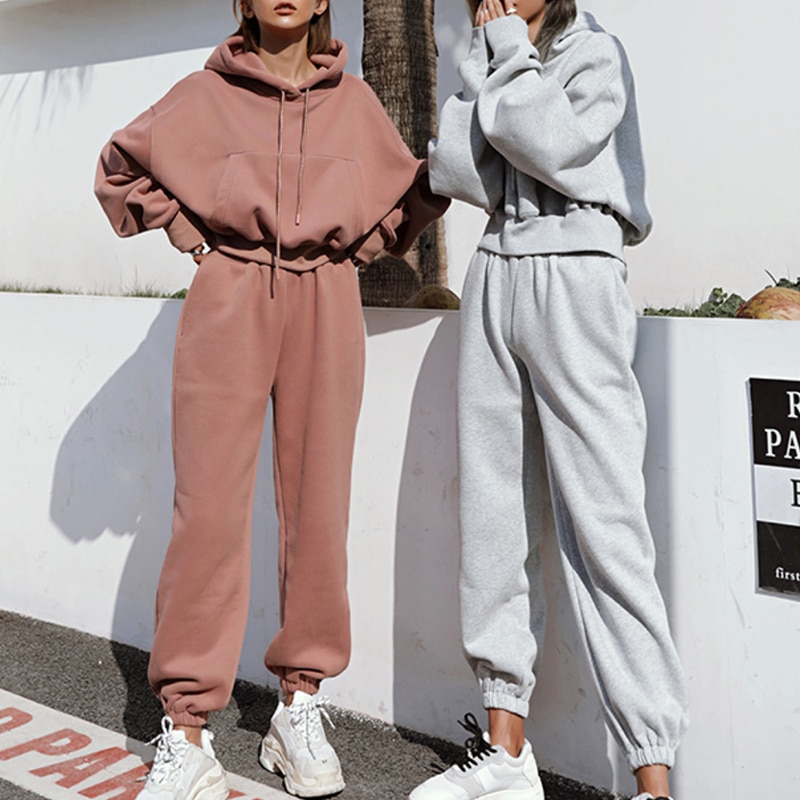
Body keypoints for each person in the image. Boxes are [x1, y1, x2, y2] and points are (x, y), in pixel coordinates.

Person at [94, 1, 449, 798]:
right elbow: (118, 167)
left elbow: (408, 195)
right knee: (208, 510)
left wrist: (353, 248)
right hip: (229, 295)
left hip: (327, 300)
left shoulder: (354, 104)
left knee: (318, 507)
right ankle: (187, 729)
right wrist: (192, 234)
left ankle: (300, 705)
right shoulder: (203, 94)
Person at [410, 1, 689, 799]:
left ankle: (653, 776)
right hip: (496, 269)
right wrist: (491, 70)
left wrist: (502, 56)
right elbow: (465, 167)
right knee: (494, 521)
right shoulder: (492, 54)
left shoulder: (597, 52)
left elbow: (553, 145)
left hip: (577, 272)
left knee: (606, 526)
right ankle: (506, 752)